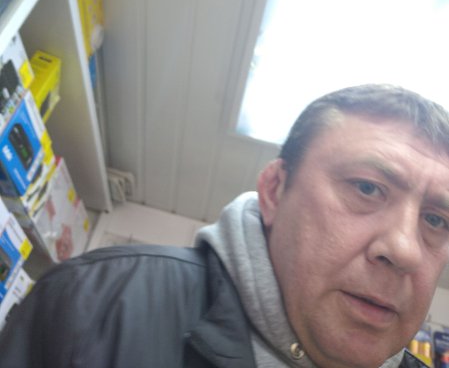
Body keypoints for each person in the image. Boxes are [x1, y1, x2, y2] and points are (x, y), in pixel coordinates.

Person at [1, 83, 449, 368]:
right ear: (274, 191)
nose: (405, 249)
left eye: (435, 219)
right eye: (367, 188)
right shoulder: (96, 303)